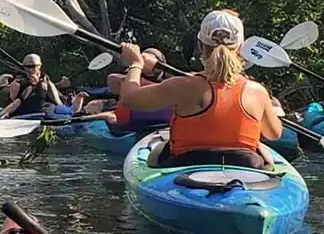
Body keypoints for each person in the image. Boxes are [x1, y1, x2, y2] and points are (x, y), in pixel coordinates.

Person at [118, 9, 282, 168]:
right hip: (244, 164)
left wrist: (136, 64)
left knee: (155, 156)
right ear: (240, 48)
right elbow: (273, 134)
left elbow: (129, 98)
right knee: (265, 157)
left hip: (188, 163)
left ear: (200, 45)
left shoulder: (183, 85)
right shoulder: (257, 92)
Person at [71, 48, 173, 132]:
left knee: (110, 115)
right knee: (104, 108)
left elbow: (112, 80)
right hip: (162, 124)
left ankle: (83, 118)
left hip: (128, 125)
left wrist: (135, 65)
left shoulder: (125, 80)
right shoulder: (174, 84)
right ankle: (81, 116)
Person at [0, 54, 62, 118]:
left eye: (33, 67)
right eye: (28, 67)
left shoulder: (45, 81)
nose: (30, 70)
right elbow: (15, 102)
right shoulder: (21, 83)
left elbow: (55, 98)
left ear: (39, 67)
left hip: (37, 115)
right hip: (22, 115)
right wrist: (3, 113)